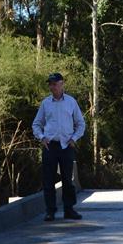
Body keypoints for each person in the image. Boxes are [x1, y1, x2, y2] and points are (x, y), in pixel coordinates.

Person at [32, 72, 86, 221]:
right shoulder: (45, 103)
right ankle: (50, 211)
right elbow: (36, 124)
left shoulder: (71, 102)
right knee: (48, 180)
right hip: (50, 146)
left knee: (68, 179)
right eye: (50, 84)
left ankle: (69, 209)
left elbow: (80, 123)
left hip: (66, 146)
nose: (52, 86)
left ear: (62, 84)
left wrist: (74, 138)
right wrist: (42, 137)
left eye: (55, 83)